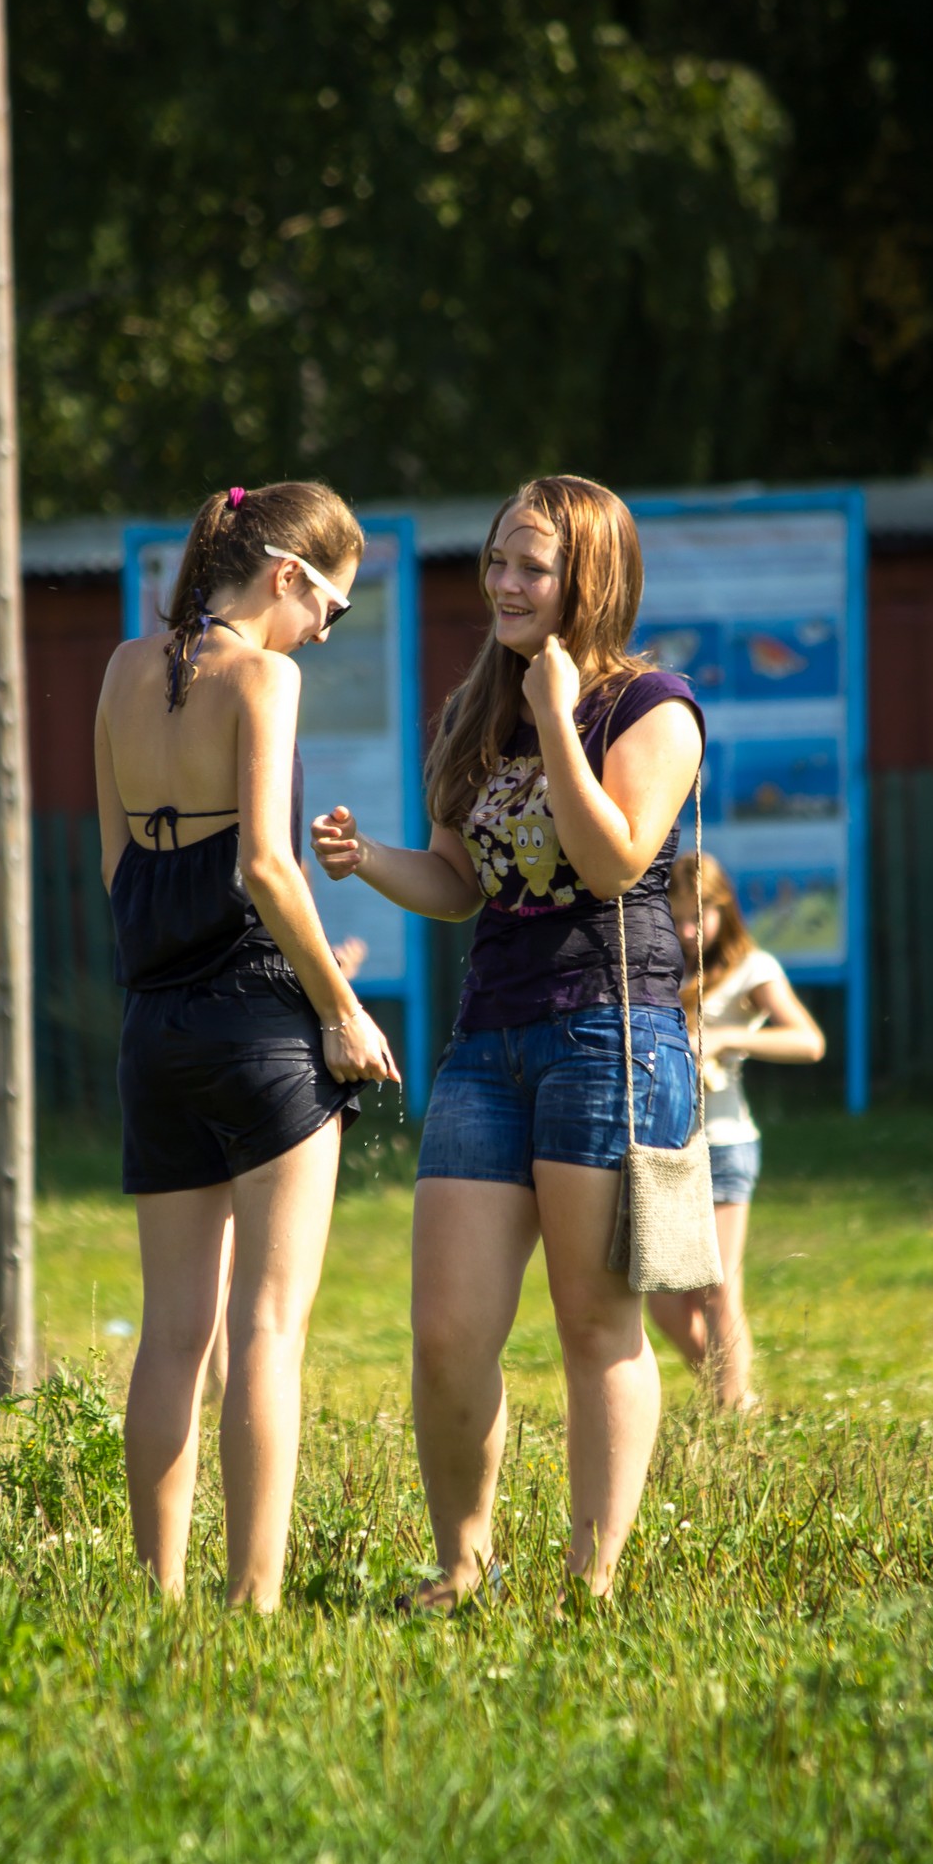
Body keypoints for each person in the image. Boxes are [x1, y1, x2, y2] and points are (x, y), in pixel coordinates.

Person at [312, 474, 704, 1605]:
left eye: (532, 565)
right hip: (488, 1043)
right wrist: (366, 860)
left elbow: (613, 860)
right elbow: (458, 884)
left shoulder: (654, 707)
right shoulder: (471, 712)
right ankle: (460, 1567)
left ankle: (592, 1579)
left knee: (595, 1324)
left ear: (591, 577)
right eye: (496, 561)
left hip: (612, 1036)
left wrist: (558, 715)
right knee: (446, 1333)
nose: (504, 583)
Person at [94, 480, 399, 1609]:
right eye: (333, 606)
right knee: (267, 1327)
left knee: (172, 1335)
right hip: (263, 1030)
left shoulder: (121, 671)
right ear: (286, 576)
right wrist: (341, 1007)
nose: (324, 630)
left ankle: (158, 1598)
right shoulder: (267, 678)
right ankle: (253, 1603)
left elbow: (121, 871)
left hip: (153, 1031)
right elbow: (267, 866)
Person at [645, 851, 825, 1410]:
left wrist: (725, 1039)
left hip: (724, 1145)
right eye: (675, 917)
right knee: (664, 1302)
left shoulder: (753, 969)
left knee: (719, 1286)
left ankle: (731, 1409)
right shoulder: (657, 970)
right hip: (665, 1149)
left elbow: (809, 1041)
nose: (688, 930)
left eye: (699, 915)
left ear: (725, 908)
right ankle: (733, 1398)